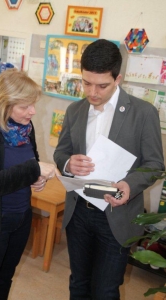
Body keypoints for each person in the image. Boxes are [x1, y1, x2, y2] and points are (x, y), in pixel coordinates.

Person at [54, 39, 165, 300]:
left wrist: (130, 184)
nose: (92, 92)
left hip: (117, 215)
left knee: (105, 290)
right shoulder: (74, 110)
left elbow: (154, 165)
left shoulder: (144, 113)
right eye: (86, 83)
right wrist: (69, 163)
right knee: (78, 283)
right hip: (79, 212)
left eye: (102, 85)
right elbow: (60, 152)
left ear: (118, 79)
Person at [0, 68, 59, 300]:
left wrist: (35, 178)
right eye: (25, 106)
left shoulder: (25, 128)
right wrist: (33, 170)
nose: (33, 111)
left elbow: (30, 161)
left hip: (19, 219)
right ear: (4, 103)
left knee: (3, 280)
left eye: (33, 104)